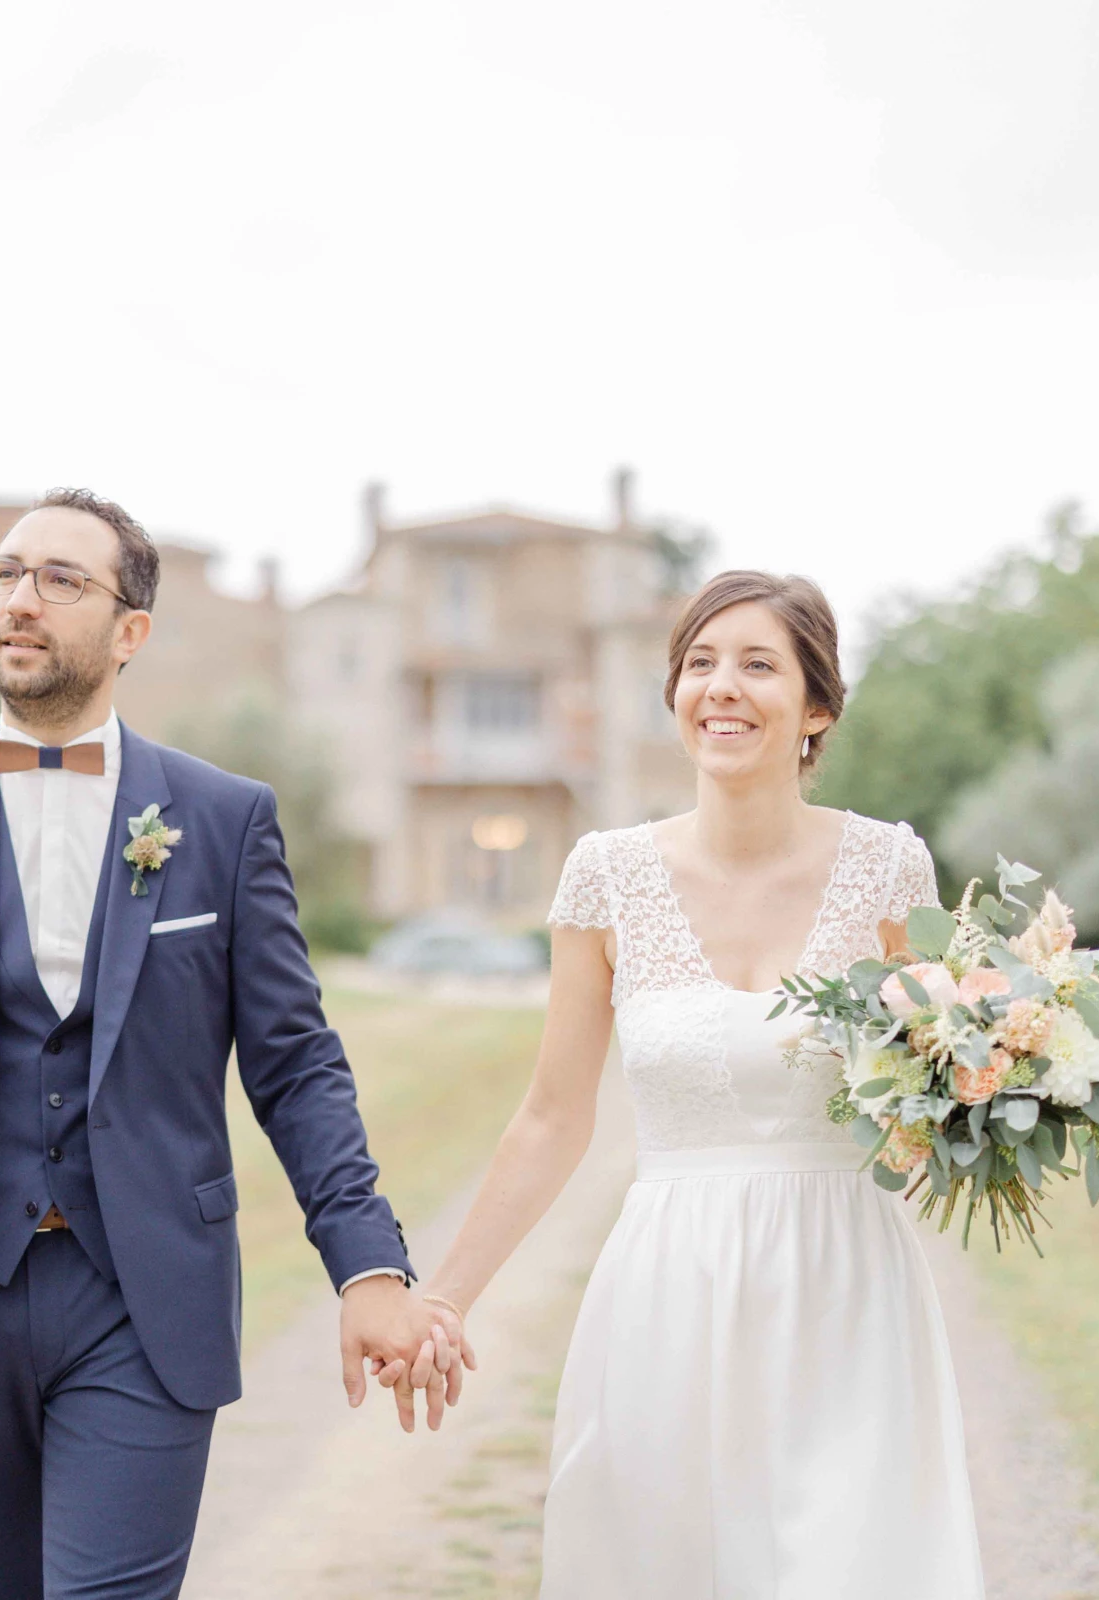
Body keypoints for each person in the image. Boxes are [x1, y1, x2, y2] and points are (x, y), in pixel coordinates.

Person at [0, 489, 462, 1600]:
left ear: (131, 629)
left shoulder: (223, 817)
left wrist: (371, 1265)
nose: (22, 599)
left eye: (61, 579)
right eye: (6, 573)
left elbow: (295, 1066)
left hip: (145, 1290)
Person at [418, 570, 986, 1597]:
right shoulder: (605, 875)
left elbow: (934, 1089)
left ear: (816, 706)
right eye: (699, 664)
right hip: (669, 1292)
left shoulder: (890, 869)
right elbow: (552, 1115)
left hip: (845, 1289)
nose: (721, 687)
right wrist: (444, 1296)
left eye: (758, 665)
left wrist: (994, 1077)